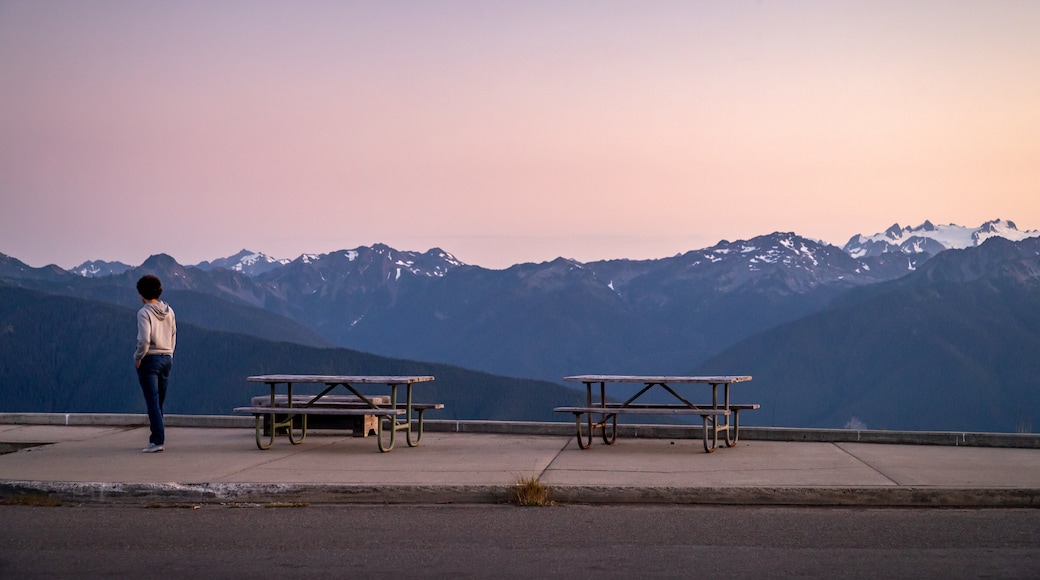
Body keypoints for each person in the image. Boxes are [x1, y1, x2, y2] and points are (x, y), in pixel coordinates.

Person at [134, 275, 176, 453]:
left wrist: (138, 357)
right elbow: (173, 334)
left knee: (152, 401)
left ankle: (157, 440)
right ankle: (157, 438)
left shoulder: (144, 312)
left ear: (141, 293)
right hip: (167, 358)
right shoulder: (169, 311)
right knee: (159, 402)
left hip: (150, 359)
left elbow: (144, 339)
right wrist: (170, 354)